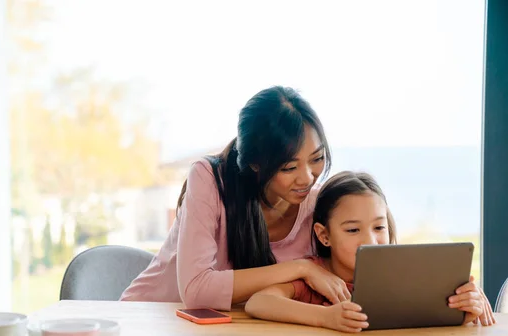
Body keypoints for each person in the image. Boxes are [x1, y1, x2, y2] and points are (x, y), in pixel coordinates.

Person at [121, 86, 351, 310]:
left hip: (229, 335)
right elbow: (196, 291)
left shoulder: (316, 204)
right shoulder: (209, 180)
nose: (307, 178)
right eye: (289, 167)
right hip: (147, 320)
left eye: (317, 158)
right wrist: (302, 268)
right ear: (255, 164)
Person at [244, 171, 496, 332]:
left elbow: (427, 323)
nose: (370, 241)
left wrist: (464, 312)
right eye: (353, 230)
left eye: (379, 227)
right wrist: (325, 317)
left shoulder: (405, 276)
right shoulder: (316, 276)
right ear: (324, 235)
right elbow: (259, 302)